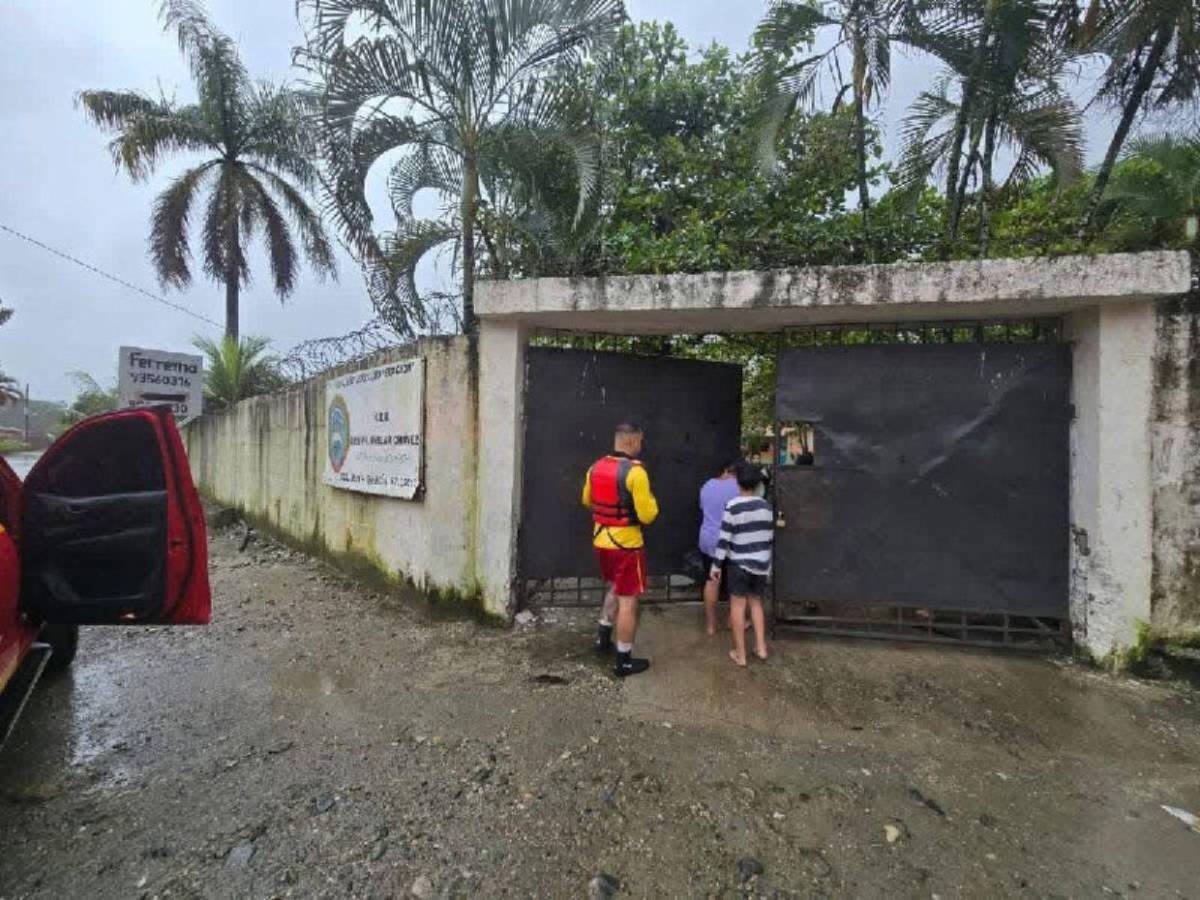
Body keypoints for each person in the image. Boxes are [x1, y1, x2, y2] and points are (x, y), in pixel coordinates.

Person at [581, 422, 659, 677]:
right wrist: (652, 502)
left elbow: (586, 500)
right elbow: (648, 516)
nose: (640, 445)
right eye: (640, 441)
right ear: (632, 441)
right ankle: (623, 660)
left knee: (614, 586)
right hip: (626, 545)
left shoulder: (595, 467)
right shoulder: (636, 473)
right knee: (629, 599)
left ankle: (603, 638)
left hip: (601, 540)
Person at [710, 461, 774, 667]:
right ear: (757, 484)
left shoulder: (733, 506)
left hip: (739, 564)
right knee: (756, 603)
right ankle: (761, 648)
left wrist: (716, 565)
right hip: (761, 564)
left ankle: (741, 654)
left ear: (738, 482)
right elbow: (768, 537)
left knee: (738, 606)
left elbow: (724, 539)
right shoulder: (766, 506)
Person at [698, 460, 740, 635]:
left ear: (724, 471)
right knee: (733, 582)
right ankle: (732, 621)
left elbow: (703, 508)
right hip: (731, 540)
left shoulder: (707, 485)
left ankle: (710, 626)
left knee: (712, 581)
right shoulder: (739, 488)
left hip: (708, 539)